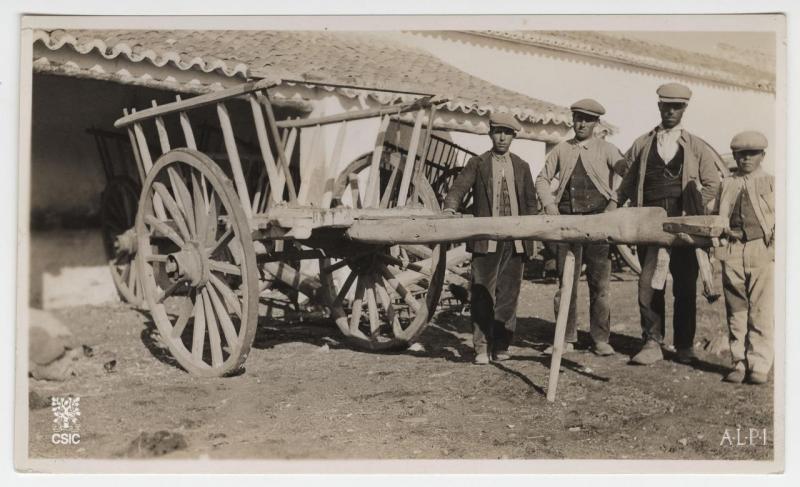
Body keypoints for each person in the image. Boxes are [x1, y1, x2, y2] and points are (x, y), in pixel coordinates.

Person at [607, 83, 722, 365]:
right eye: (666, 106)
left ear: (684, 109)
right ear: (658, 106)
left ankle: (684, 346)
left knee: (684, 285)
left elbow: (713, 183)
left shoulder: (696, 146)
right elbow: (627, 183)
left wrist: (694, 209)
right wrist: (614, 207)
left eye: (677, 107)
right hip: (650, 225)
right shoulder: (643, 144)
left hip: (685, 226)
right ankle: (651, 343)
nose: (671, 111)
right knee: (649, 284)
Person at [443, 112, 538, 364]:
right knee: (482, 295)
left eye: (507, 133)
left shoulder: (522, 166)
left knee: (508, 296)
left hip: (515, 242)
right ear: (490, 134)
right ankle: (482, 348)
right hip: (487, 240)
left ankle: (501, 346)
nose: (502, 138)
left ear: (513, 136)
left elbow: (530, 204)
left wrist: (533, 238)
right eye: (498, 132)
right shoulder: (479, 163)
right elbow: (459, 188)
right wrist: (450, 207)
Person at [535, 99, 626, 356]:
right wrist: (550, 205)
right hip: (568, 225)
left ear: (597, 124)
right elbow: (542, 178)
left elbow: (627, 174)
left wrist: (613, 203)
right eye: (578, 118)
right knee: (566, 284)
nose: (582, 123)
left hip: (598, 225)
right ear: (572, 120)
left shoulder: (607, 149)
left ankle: (600, 339)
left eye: (588, 119)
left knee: (600, 284)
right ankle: (565, 338)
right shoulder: (562, 150)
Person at [714, 131, 774, 384]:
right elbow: (718, 215)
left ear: (762, 155)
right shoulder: (727, 183)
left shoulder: (772, 182)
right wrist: (719, 244)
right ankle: (738, 362)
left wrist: (774, 249)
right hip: (733, 249)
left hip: (761, 249)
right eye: (741, 154)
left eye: (752, 154)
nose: (746, 159)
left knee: (761, 309)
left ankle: (759, 364)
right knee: (736, 307)